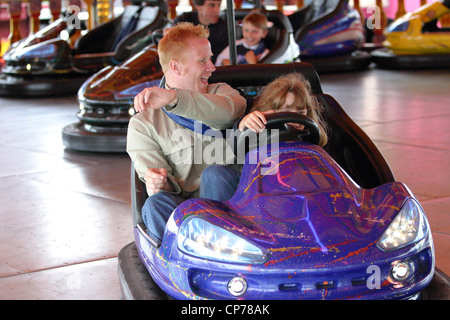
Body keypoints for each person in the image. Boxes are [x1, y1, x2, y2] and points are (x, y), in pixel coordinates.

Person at [127, 22, 247, 242]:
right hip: (186, 215)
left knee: (215, 175)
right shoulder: (144, 124)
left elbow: (230, 112)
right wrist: (157, 182)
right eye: (203, 60)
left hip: (232, 207)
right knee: (154, 204)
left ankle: (219, 250)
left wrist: (175, 99)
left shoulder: (222, 92)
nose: (212, 67)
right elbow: (158, 183)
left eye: (210, 58)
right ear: (175, 67)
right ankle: (191, 255)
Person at [200, 73, 329, 201]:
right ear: (270, 112)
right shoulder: (257, 133)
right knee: (214, 174)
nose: (296, 119)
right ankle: (215, 221)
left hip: (298, 191)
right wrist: (243, 128)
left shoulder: (312, 140)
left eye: (301, 112)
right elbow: (238, 149)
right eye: (287, 111)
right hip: (254, 194)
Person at [167, 0, 228, 64]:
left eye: (219, 5)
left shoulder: (223, 29)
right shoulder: (183, 20)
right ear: (198, 6)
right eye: (211, 5)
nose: (217, 10)